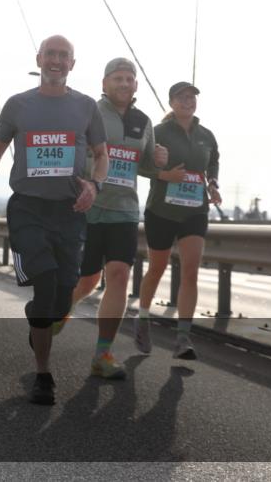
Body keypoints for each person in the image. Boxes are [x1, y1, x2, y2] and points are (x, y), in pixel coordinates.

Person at [0, 35, 107, 405]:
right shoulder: (18, 105)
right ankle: (43, 374)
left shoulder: (86, 107)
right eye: (50, 54)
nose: (56, 61)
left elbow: (101, 154)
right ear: (38, 59)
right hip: (27, 209)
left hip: (69, 212)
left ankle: (39, 317)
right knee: (45, 285)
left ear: (72, 64)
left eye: (63, 55)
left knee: (61, 300)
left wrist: (94, 185)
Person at [57, 58, 167, 379]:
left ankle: (102, 353)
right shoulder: (88, 111)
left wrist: (158, 161)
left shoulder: (144, 121)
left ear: (136, 85)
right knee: (87, 280)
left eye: (129, 79)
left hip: (125, 211)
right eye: (117, 78)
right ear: (104, 83)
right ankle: (63, 308)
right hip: (87, 208)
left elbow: (146, 167)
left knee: (118, 276)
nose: (124, 83)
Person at [134, 82, 221, 360]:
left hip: (194, 211)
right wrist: (165, 175)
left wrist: (213, 183)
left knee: (190, 271)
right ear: (171, 102)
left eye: (192, 97)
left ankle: (183, 338)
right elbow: (140, 165)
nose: (188, 101)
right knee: (157, 269)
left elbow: (213, 161)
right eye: (182, 97)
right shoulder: (158, 132)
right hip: (162, 211)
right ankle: (143, 319)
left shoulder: (206, 135)